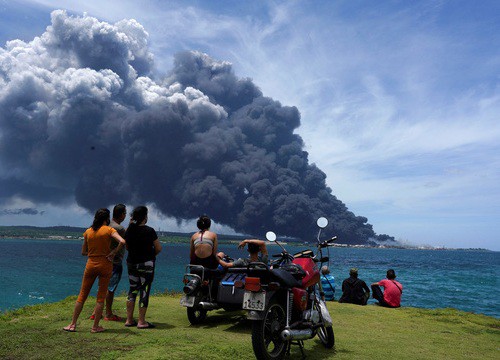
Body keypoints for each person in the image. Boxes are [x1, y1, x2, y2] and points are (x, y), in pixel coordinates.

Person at [63, 208, 126, 333]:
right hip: (105, 264)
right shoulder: (109, 230)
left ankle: (73, 324)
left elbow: (83, 252)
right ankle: (95, 327)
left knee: (82, 295)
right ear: (107, 218)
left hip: (91, 264)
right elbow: (122, 241)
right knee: (100, 297)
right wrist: (113, 252)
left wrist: (93, 252)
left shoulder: (88, 232)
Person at [124, 206, 162, 329]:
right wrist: (150, 256)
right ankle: (141, 321)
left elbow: (127, 247)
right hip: (146, 264)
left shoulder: (129, 230)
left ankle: (129, 320)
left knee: (132, 290)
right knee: (144, 291)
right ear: (145, 217)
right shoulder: (150, 231)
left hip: (131, 263)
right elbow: (158, 248)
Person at [90, 204, 127, 321]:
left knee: (102, 287)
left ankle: (95, 312)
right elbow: (124, 242)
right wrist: (115, 252)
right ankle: (108, 313)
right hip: (114, 262)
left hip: (102, 260)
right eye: (125, 213)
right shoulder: (119, 229)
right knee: (110, 289)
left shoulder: (104, 226)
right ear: (122, 214)